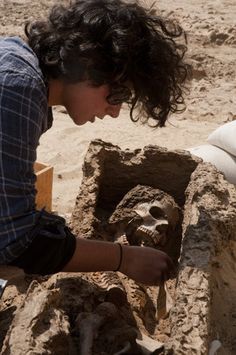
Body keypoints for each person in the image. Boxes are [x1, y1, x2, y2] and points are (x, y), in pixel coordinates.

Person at [0, 0, 188, 285]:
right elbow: (14, 240)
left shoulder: (17, 67)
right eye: (118, 94)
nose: (114, 111)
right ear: (88, 63)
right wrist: (123, 258)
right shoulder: (17, 87)